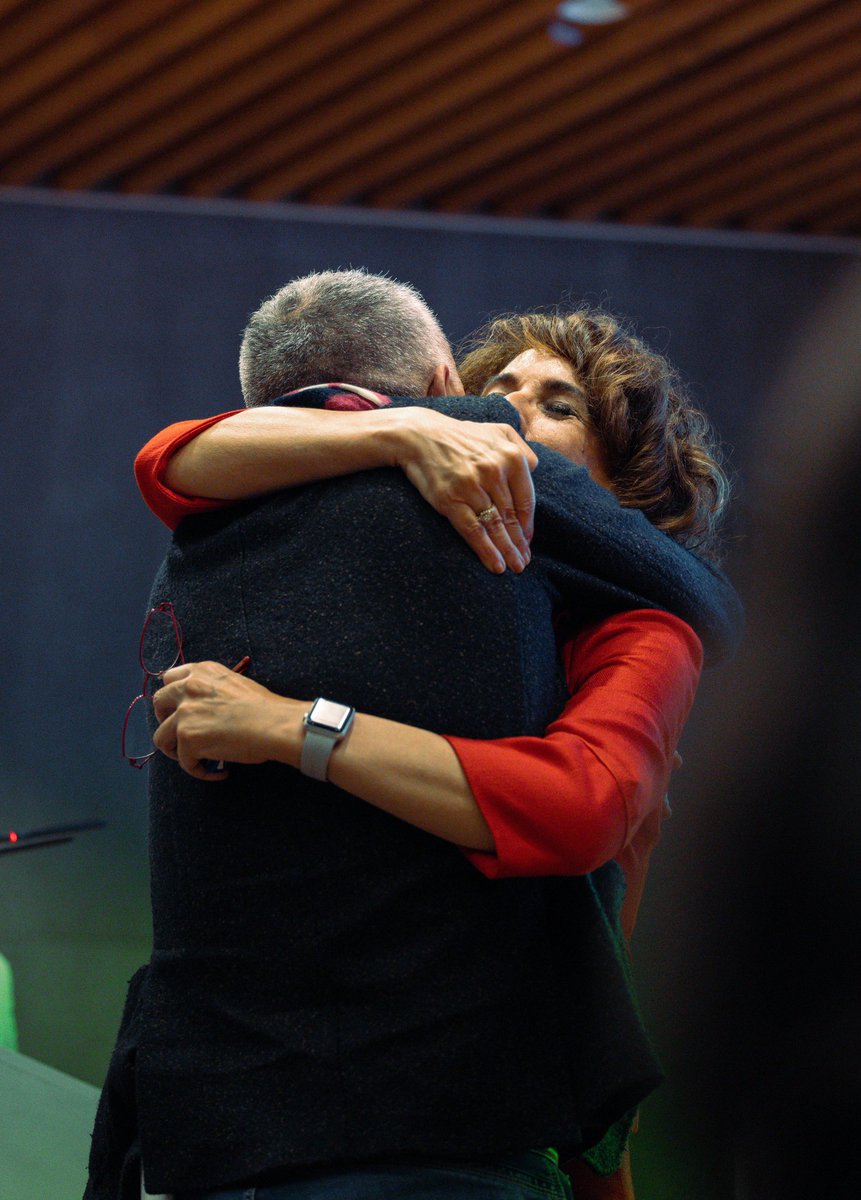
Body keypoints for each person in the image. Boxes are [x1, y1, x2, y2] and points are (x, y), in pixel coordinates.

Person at [88, 272, 739, 1200]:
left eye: (553, 406)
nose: (498, 419)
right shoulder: (381, 525)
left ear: (612, 485)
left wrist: (291, 726)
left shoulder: (641, 629)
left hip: (511, 1095)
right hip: (265, 1115)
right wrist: (397, 428)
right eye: (490, 392)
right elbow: (168, 456)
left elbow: (575, 807)